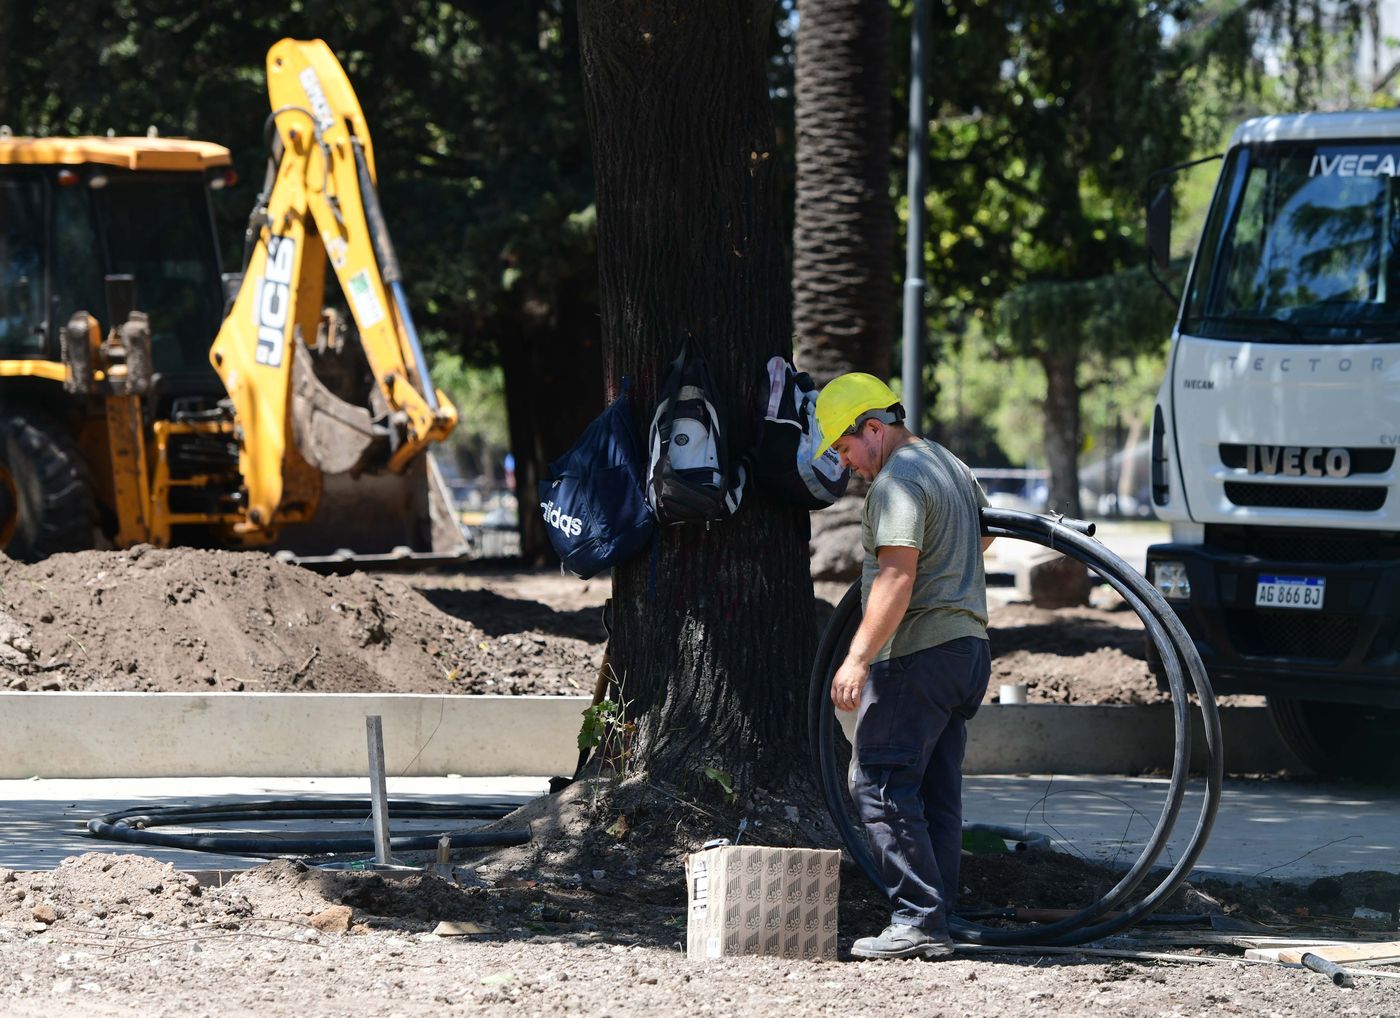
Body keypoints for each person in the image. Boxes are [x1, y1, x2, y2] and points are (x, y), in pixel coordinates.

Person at [813, 372, 993, 961]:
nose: (846, 464)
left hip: (916, 653)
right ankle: (941, 912)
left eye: (844, 448)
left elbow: (896, 574)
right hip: (966, 651)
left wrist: (858, 657)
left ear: (873, 429)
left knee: (881, 783)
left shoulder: (897, 483)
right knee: (935, 790)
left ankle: (917, 917)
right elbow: (984, 535)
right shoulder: (947, 465)